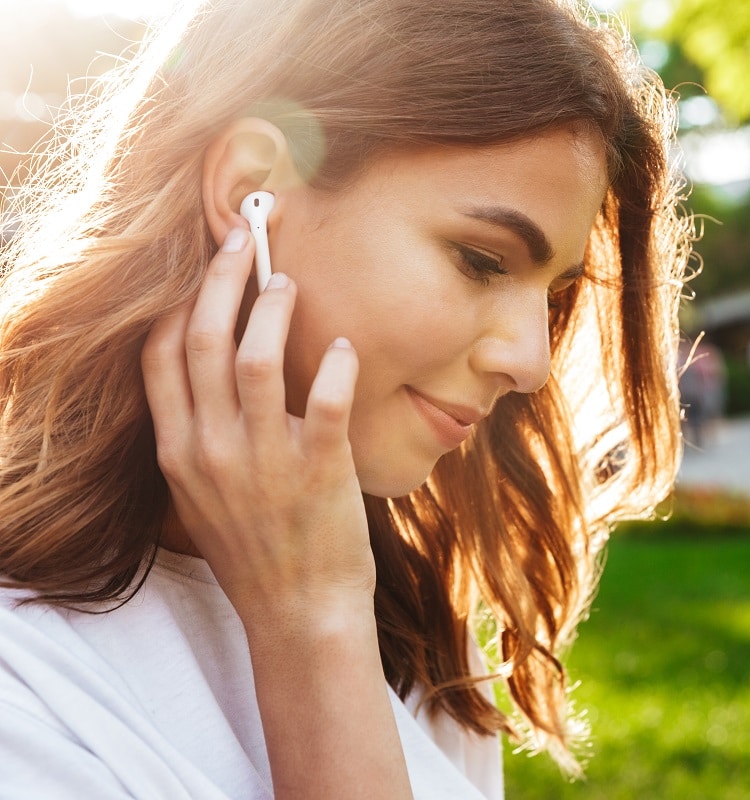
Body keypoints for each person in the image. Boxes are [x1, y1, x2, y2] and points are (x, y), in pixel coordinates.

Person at [0, 1, 690, 798]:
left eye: (552, 293)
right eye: (480, 259)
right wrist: (312, 631)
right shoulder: (27, 679)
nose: (532, 362)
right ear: (253, 191)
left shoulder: (419, 630)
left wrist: (323, 614)